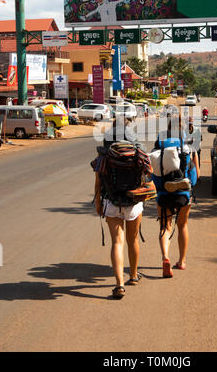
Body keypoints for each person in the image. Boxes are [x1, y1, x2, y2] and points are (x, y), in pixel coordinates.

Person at [93, 117, 145, 299]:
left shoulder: (104, 154)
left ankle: (119, 284)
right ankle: (133, 275)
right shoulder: (136, 150)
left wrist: (98, 202)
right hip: (133, 202)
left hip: (111, 200)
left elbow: (98, 180)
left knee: (117, 241)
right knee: (133, 240)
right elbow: (147, 174)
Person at [151, 114, 199, 277]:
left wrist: (158, 187)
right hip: (184, 191)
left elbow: (154, 169)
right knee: (182, 225)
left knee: (165, 227)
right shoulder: (187, 141)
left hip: (164, 191)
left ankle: (165, 257)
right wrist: (191, 187)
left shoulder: (160, 141)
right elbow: (194, 172)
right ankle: (182, 261)